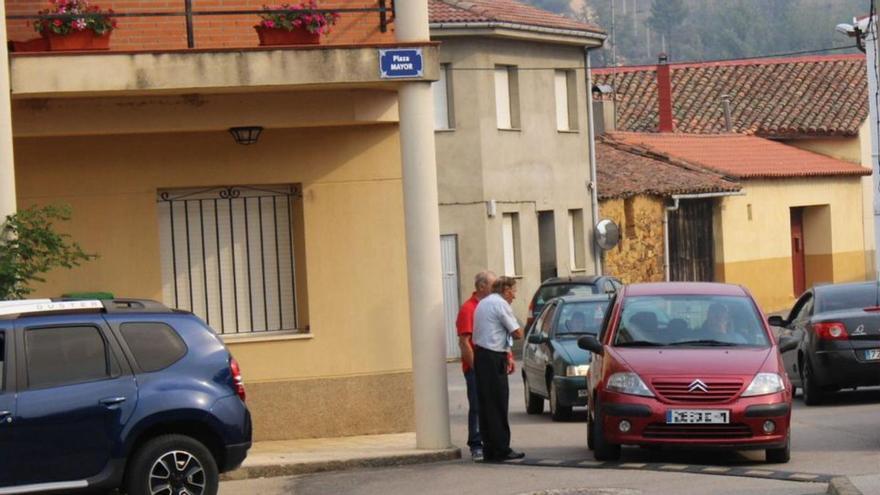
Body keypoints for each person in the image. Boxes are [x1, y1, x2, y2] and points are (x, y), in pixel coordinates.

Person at [473, 276, 525, 462]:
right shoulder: (501, 305)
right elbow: (517, 332)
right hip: (493, 357)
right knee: (498, 403)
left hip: (481, 355)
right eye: (513, 292)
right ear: (505, 290)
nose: (514, 296)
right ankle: (502, 448)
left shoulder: (483, 303)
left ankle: (490, 448)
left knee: (486, 404)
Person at [455, 270, 496, 461]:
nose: (495, 289)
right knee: (477, 406)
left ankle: (491, 443)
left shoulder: (489, 306)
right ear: (481, 286)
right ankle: (476, 444)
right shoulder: (468, 309)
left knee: (491, 405)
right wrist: (475, 368)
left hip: (489, 366)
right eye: (492, 285)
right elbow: (464, 342)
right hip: (475, 368)